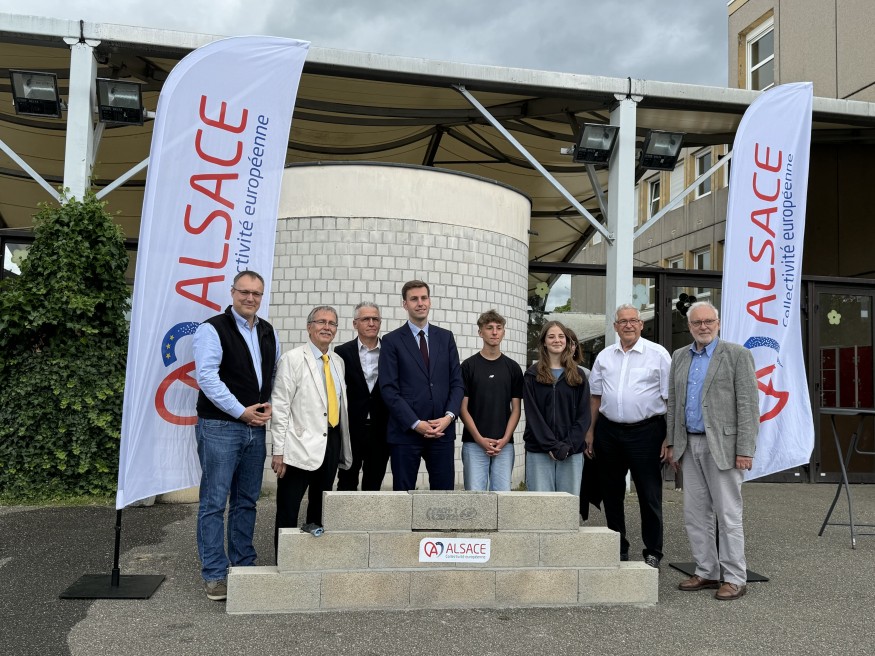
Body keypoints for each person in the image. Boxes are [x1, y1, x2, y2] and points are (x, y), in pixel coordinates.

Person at [192, 270, 279, 601]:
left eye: (256, 293)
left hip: (255, 427)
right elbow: (207, 377)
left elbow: (273, 374)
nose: (250, 298)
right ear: (232, 293)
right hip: (220, 426)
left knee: (246, 500)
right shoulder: (212, 329)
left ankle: (243, 565)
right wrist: (241, 411)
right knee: (214, 502)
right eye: (244, 292)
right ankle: (215, 574)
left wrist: (268, 406)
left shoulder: (268, 331)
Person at [666, 301, 759, 601]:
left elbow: (748, 405)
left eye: (708, 321)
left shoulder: (737, 355)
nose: (703, 327)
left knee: (728, 514)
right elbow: (673, 403)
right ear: (689, 326)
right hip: (688, 444)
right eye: (697, 322)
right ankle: (706, 570)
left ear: (718, 323)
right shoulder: (679, 356)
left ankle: (735, 577)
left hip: (724, 448)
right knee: (695, 514)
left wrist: (745, 449)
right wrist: (672, 443)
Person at [585, 304, 671, 568]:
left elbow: (671, 398)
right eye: (623, 321)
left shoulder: (658, 354)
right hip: (609, 432)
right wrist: (590, 432)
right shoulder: (604, 356)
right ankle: (618, 546)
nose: (628, 325)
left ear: (641, 325)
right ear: (615, 326)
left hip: (647, 432)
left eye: (633, 320)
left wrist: (669, 437)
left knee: (649, 494)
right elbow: (595, 397)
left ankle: (653, 550)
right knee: (611, 493)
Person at [270, 306, 352, 551]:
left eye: (332, 323)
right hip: (298, 445)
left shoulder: (337, 362)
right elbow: (281, 406)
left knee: (319, 506)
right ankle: (284, 559)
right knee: (289, 507)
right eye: (321, 322)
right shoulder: (292, 359)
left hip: (331, 441)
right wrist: (278, 451)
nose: (327, 327)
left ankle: (310, 557)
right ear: (309, 327)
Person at [379, 280, 464, 491]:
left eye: (424, 298)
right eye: (414, 299)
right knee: (403, 496)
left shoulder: (445, 337)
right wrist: (415, 423)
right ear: (405, 304)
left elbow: (457, 383)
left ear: (430, 301)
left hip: (442, 431)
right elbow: (389, 390)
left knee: (443, 496)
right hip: (406, 433)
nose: (420, 303)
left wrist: (449, 417)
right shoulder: (391, 341)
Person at [523, 320, 591, 494]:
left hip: (571, 451)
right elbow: (533, 416)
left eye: (561, 336)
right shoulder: (532, 375)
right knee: (541, 504)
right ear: (544, 342)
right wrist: (552, 446)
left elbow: (584, 416)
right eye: (551, 336)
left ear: (567, 341)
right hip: (539, 450)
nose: (557, 340)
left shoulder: (579, 375)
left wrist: (566, 446)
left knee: (568, 504)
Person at [459, 309, 524, 491]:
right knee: (475, 499)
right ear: (480, 332)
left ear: (503, 332)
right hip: (474, 443)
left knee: (502, 498)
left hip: (504, 446)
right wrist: (479, 439)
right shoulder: (468, 366)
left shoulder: (513, 368)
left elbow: (516, 409)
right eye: (489, 328)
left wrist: (505, 438)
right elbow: (462, 409)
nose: (494, 332)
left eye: (499, 328)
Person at [334, 301, 391, 491]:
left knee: (373, 483)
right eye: (366, 319)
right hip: (351, 429)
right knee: (346, 481)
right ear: (355, 323)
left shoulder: (391, 351)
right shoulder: (341, 352)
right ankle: (344, 512)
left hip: (381, 429)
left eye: (375, 319)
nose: (371, 323)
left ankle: (369, 513)